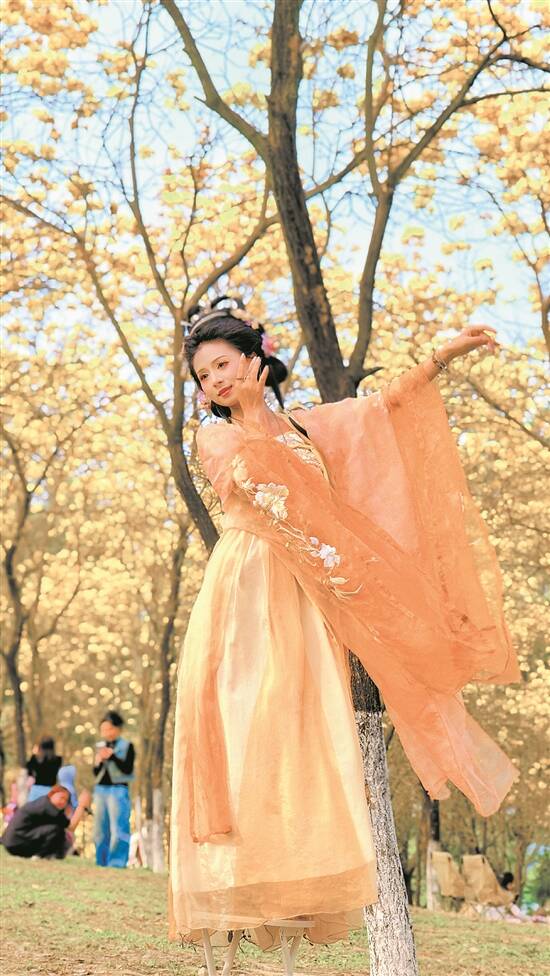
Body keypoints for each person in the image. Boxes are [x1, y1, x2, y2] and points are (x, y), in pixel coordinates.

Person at [169, 297, 520, 947]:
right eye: (203, 376)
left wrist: (441, 357)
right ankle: (242, 882)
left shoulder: (307, 428)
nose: (214, 380)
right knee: (251, 721)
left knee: (309, 729)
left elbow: (380, 411)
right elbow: (265, 490)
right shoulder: (216, 437)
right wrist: (257, 418)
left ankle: (294, 886)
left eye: (222, 364)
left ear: (252, 358)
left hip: (309, 595)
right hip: (250, 587)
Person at [0, 784, 91, 859]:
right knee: (56, 830)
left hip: (11, 842)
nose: (63, 802)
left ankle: (49, 855)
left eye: (65, 800)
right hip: (17, 842)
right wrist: (81, 806)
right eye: (61, 797)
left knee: (57, 832)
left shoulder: (42, 802)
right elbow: (71, 827)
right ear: (52, 794)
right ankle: (40, 856)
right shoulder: (49, 808)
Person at [93, 709, 135, 868]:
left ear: (118, 729)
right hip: (100, 790)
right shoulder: (100, 746)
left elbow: (127, 770)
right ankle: (101, 861)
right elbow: (96, 773)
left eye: (110, 728)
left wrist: (112, 757)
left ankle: (117, 862)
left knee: (119, 828)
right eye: (103, 729)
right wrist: (98, 761)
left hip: (118, 790)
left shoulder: (127, 746)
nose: (107, 733)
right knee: (100, 829)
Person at [25, 736, 62, 802]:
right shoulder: (58, 760)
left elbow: (29, 771)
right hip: (50, 791)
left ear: (40, 746)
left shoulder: (35, 759)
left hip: (36, 791)